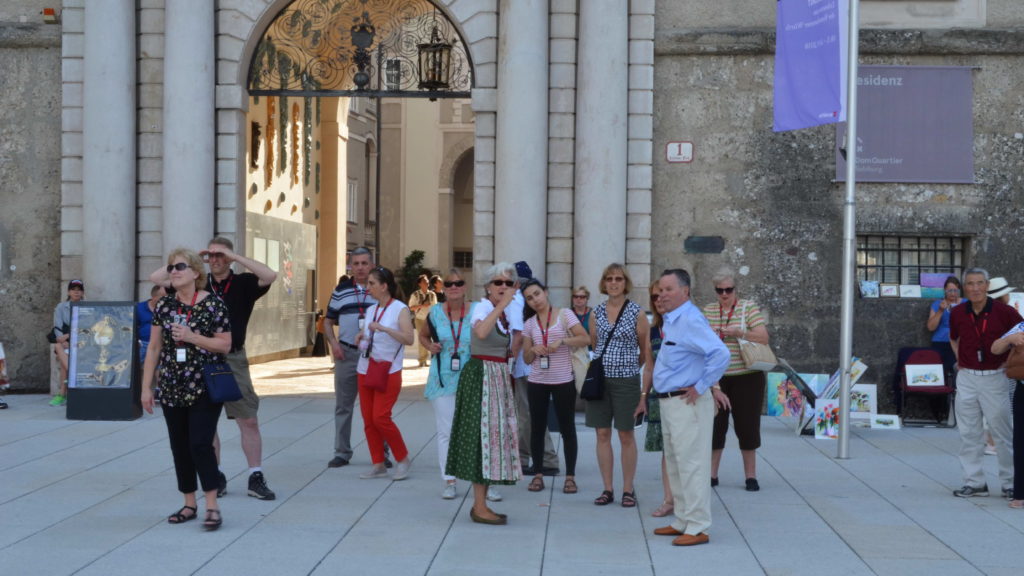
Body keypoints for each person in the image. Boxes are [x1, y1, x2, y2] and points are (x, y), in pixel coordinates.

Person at [150, 236, 278, 500]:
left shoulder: (243, 282)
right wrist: (194, 258)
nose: (216, 260)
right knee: (205, 425)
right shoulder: (198, 282)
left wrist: (235, 256)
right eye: (212, 256)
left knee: (248, 418)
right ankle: (214, 475)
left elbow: (270, 275)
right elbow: (156, 278)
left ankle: (255, 475)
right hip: (198, 359)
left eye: (221, 255)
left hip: (231, 357)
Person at [141, 248, 232, 531]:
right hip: (172, 385)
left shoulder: (214, 304)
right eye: (171, 268)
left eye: (180, 266)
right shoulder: (165, 306)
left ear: (195, 272)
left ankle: (212, 505)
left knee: (200, 444)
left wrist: (193, 337)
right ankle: (189, 503)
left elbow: (225, 344)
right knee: (179, 446)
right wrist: (146, 388)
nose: (174, 272)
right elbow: (154, 348)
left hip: (204, 385)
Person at [651, 269, 730, 547]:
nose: (662, 295)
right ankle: (683, 519)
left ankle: (698, 527)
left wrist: (701, 385)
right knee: (676, 463)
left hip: (687, 402)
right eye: (661, 290)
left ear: (685, 291)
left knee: (693, 464)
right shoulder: (673, 320)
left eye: (669, 289)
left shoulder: (690, 320)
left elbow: (720, 353)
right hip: (671, 401)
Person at [446, 262, 521, 525]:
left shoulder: (505, 313)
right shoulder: (483, 307)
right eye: (498, 282)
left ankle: (482, 504)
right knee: (482, 439)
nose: (503, 287)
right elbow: (480, 332)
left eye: (508, 283)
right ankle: (478, 506)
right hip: (482, 377)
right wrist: (503, 304)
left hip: (496, 377)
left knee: (492, 440)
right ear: (488, 287)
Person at [948, 268, 1021, 498]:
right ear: (964, 287)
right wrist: (960, 359)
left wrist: (1009, 360)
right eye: (970, 283)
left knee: (1002, 433)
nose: (975, 288)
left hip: (995, 377)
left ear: (987, 286)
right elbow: (953, 338)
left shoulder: (1004, 311)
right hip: (967, 378)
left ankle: (1010, 484)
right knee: (968, 433)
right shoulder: (958, 312)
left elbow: (1021, 334)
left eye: (980, 283)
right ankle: (975, 482)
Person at [586, 263, 651, 508]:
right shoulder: (596, 313)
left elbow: (644, 350)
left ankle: (627, 489)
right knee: (602, 433)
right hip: (600, 380)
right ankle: (607, 488)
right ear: (604, 283)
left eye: (618, 279)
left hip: (626, 381)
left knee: (625, 434)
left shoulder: (637, 313)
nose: (614, 283)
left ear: (625, 283)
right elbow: (595, 344)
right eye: (609, 278)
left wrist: (629, 367)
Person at [702, 267, 771, 491]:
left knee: (747, 427)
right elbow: (701, 342)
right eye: (719, 290)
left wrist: (739, 332)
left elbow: (763, 337)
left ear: (735, 289)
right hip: (718, 378)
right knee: (715, 427)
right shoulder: (708, 310)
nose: (724, 294)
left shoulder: (747, 307)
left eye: (728, 290)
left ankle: (751, 476)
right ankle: (711, 475)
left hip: (747, 377)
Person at [520, 278, 590, 495]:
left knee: (567, 428)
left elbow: (585, 338)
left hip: (563, 381)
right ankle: (538, 474)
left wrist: (562, 341)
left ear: (546, 292)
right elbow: (526, 358)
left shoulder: (565, 315)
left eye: (537, 294)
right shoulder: (529, 324)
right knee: (537, 428)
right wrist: (534, 350)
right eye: (529, 298)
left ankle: (570, 477)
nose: (535, 300)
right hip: (537, 382)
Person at [419, 269, 475, 498]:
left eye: (458, 283)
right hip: (442, 378)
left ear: (465, 286)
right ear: (443, 288)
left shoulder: (477, 311)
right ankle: (449, 480)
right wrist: (430, 346)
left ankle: (484, 483)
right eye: (449, 284)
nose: (454, 287)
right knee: (446, 431)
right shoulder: (434, 312)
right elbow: (423, 335)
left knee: (475, 431)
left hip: (471, 378)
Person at [355, 266, 414, 480]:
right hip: (366, 368)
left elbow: (409, 339)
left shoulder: (400, 309)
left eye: (372, 283)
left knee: (381, 417)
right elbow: (368, 333)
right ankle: (378, 463)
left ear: (384, 286)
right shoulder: (372, 309)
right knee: (369, 420)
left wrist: (385, 329)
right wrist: (361, 336)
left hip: (388, 370)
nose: (368, 287)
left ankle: (402, 458)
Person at [323, 247, 377, 468]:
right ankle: (342, 452)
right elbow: (328, 321)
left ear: (371, 265)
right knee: (343, 406)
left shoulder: (380, 288)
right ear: (350, 266)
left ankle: (380, 451)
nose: (360, 268)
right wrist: (333, 344)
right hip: (346, 353)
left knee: (375, 408)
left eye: (364, 263)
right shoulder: (341, 290)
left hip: (374, 355)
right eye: (356, 264)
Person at [511, 260, 559, 480]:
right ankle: (523, 458)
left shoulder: (520, 301)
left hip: (526, 365)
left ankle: (547, 459)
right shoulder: (530, 301)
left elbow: (519, 335)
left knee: (529, 415)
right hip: (527, 365)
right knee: (524, 415)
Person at [992, 319, 1024, 508]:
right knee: (1020, 441)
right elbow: (995, 348)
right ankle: (1020, 493)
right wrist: (1010, 339)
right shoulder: (1022, 327)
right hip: (1022, 389)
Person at [49, 279, 85, 406]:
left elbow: (87, 329)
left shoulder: (87, 306)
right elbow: (57, 327)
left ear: (83, 293)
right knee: (59, 346)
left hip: (81, 341)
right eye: (73, 290)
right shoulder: (61, 307)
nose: (76, 292)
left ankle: (62, 394)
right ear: (69, 292)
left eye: (79, 290)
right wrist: (63, 339)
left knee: (65, 356)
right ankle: (74, 380)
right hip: (65, 341)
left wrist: (69, 336)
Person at [928, 275, 965, 381]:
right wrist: (940, 311)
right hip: (940, 341)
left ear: (959, 290)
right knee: (940, 373)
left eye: (955, 290)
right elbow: (930, 327)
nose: (953, 293)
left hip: (960, 342)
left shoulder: (965, 303)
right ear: (945, 290)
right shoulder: (937, 304)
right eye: (949, 291)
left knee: (959, 371)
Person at [409, 274, 438, 368]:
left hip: (430, 319)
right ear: (420, 284)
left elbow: (435, 308)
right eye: (424, 281)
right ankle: (422, 360)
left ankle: (427, 359)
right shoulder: (415, 295)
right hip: (420, 319)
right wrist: (422, 306)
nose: (427, 282)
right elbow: (411, 307)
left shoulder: (432, 294)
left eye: (427, 280)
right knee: (422, 339)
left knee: (431, 339)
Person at [137, 285, 167, 364]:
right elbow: (132, 326)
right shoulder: (139, 308)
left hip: (163, 345)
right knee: (138, 367)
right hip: (144, 344)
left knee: (160, 368)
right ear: (154, 297)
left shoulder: (167, 309)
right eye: (162, 297)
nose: (165, 300)